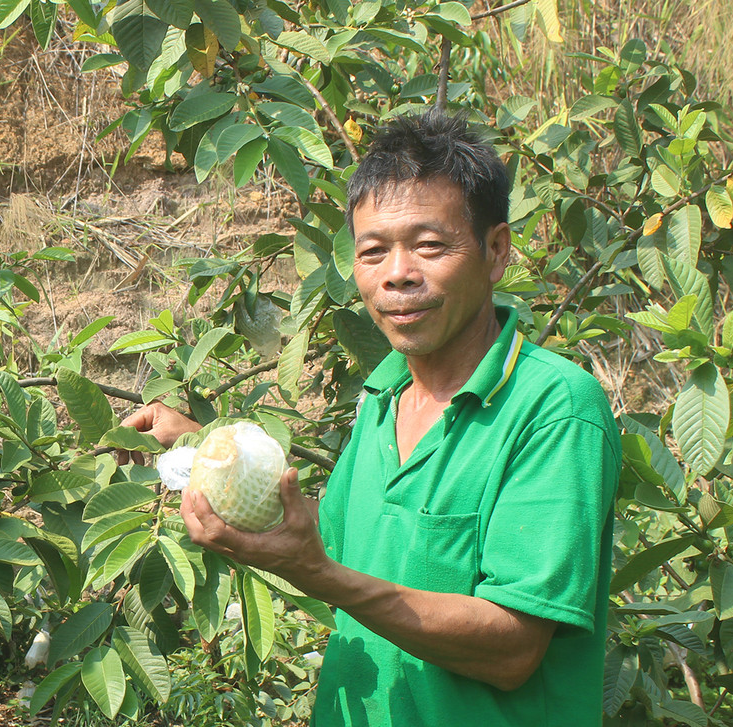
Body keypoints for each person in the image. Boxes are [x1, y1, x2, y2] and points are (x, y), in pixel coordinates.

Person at [121, 110, 621, 726]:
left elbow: (511, 649)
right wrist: (202, 450)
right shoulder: (383, 399)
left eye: (430, 246)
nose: (397, 275)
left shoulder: (556, 410)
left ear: (495, 252)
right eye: (373, 252)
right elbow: (322, 541)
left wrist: (319, 576)